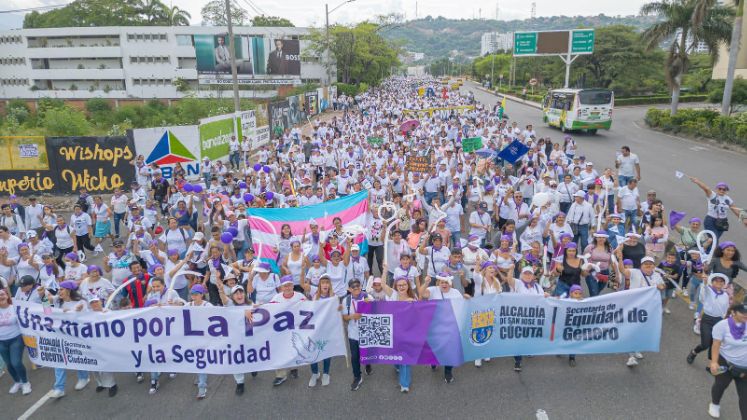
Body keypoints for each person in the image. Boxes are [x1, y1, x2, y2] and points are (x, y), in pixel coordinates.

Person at [616, 256, 666, 367]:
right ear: (641, 266)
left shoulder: (657, 275)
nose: (648, 266)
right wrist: (620, 259)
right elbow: (622, 271)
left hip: (648, 308)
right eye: (646, 264)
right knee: (632, 329)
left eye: (651, 264)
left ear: (654, 266)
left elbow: (663, 286)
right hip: (634, 306)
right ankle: (631, 356)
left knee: (641, 330)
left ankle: (636, 349)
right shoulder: (635, 272)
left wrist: (660, 286)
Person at [418, 272, 467, 383]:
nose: (444, 284)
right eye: (441, 282)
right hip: (434, 327)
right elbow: (421, 293)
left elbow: (461, 308)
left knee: (450, 350)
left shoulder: (456, 293)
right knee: (435, 348)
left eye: (446, 282)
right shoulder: (433, 290)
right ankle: (434, 361)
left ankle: (448, 371)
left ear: (450, 283)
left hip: (450, 326)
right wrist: (425, 283)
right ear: (438, 282)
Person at [46, 280, 89, 398]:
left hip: (77, 337)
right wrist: (44, 299)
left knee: (78, 357)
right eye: (59, 289)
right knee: (59, 361)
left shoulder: (81, 302)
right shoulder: (56, 301)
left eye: (62, 289)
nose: (59, 292)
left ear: (69, 291)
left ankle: (84, 378)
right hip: (60, 336)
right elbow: (46, 313)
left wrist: (73, 311)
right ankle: (59, 388)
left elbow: (85, 319)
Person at [708, 303, 747, 419]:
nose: (746, 315)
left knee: (745, 398)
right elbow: (716, 345)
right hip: (726, 363)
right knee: (720, 385)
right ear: (733, 313)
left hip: (744, 368)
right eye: (743, 312)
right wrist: (714, 362)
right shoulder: (722, 326)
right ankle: (715, 404)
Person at [688, 273, 730, 365]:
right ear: (712, 282)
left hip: (719, 321)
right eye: (716, 280)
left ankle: (711, 364)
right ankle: (694, 352)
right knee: (705, 344)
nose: (719, 282)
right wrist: (705, 282)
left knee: (715, 344)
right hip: (707, 320)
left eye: (721, 281)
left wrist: (725, 321)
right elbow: (704, 293)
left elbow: (726, 309)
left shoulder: (726, 295)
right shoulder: (708, 290)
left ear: (724, 283)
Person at [0, 288, 31, 395]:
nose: (1, 297)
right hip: (1, 341)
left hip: (16, 339)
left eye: (3, 294)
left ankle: (26, 382)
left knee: (16, 362)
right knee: (8, 364)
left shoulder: (15, 308)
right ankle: (18, 381)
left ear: (7, 296)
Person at [342, 278, 369, 391]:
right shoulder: (346, 301)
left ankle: (368, 364)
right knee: (355, 356)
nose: (356, 288)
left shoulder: (368, 298)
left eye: (358, 285)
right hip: (353, 333)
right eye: (353, 286)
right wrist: (353, 316)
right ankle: (357, 376)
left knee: (367, 352)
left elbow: (377, 312)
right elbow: (344, 317)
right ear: (349, 289)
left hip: (367, 332)